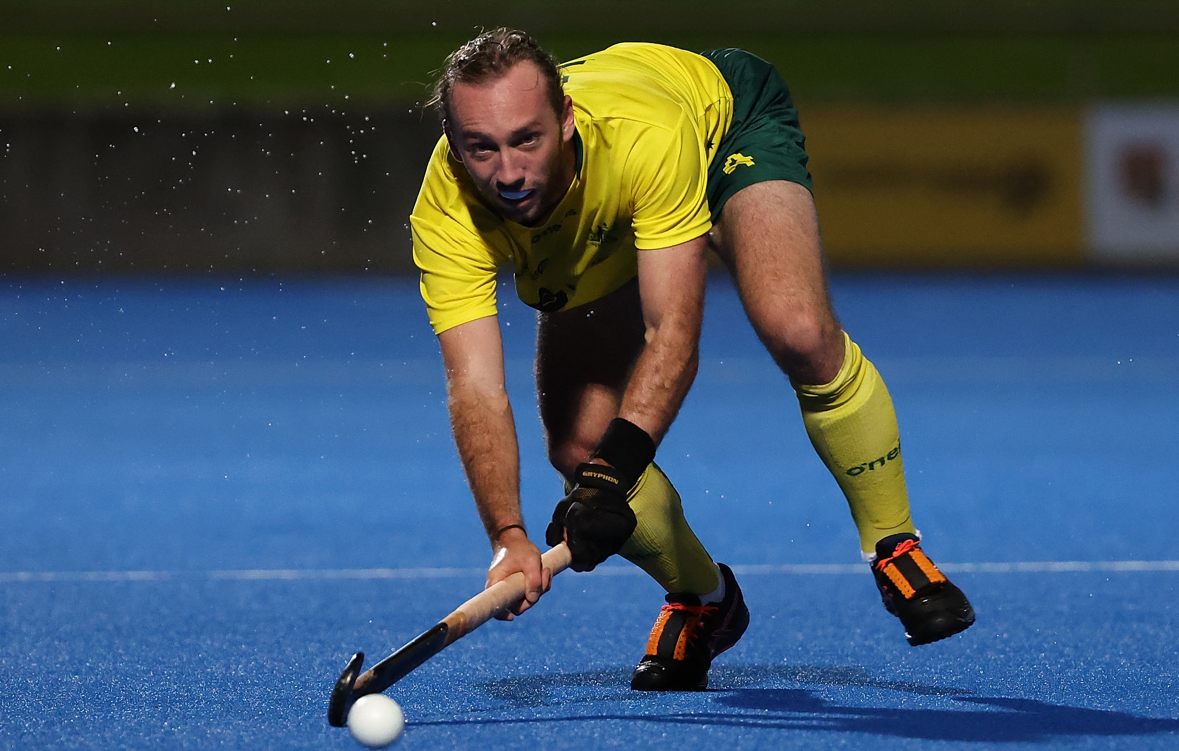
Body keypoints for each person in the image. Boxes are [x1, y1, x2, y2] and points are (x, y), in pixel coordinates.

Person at [410, 29, 974, 691]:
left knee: (795, 329)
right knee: (576, 450)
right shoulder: (444, 209)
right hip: (611, 210)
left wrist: (610, 479)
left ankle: (894, 545)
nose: (507, 174)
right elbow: (475, 386)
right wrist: (507, 534)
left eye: (526, 139)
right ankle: (704, 601)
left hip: (715, 130)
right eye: (481, 147)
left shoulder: (642, 136)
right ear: (451, 139)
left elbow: (672, 338)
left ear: (563, 119)